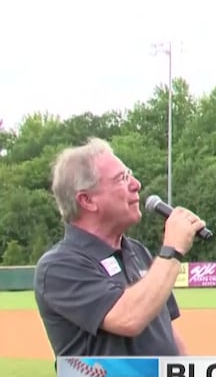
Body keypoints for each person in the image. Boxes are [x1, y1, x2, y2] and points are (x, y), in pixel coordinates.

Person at [34, 137, 204, 358]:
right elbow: (129, 318)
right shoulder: (58, 266)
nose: (136, 184)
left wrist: (187, 374)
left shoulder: (137, 251)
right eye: (122, 178)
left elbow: (167, 333)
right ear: (87, 200)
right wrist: (172, 250)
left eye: (129, 174)